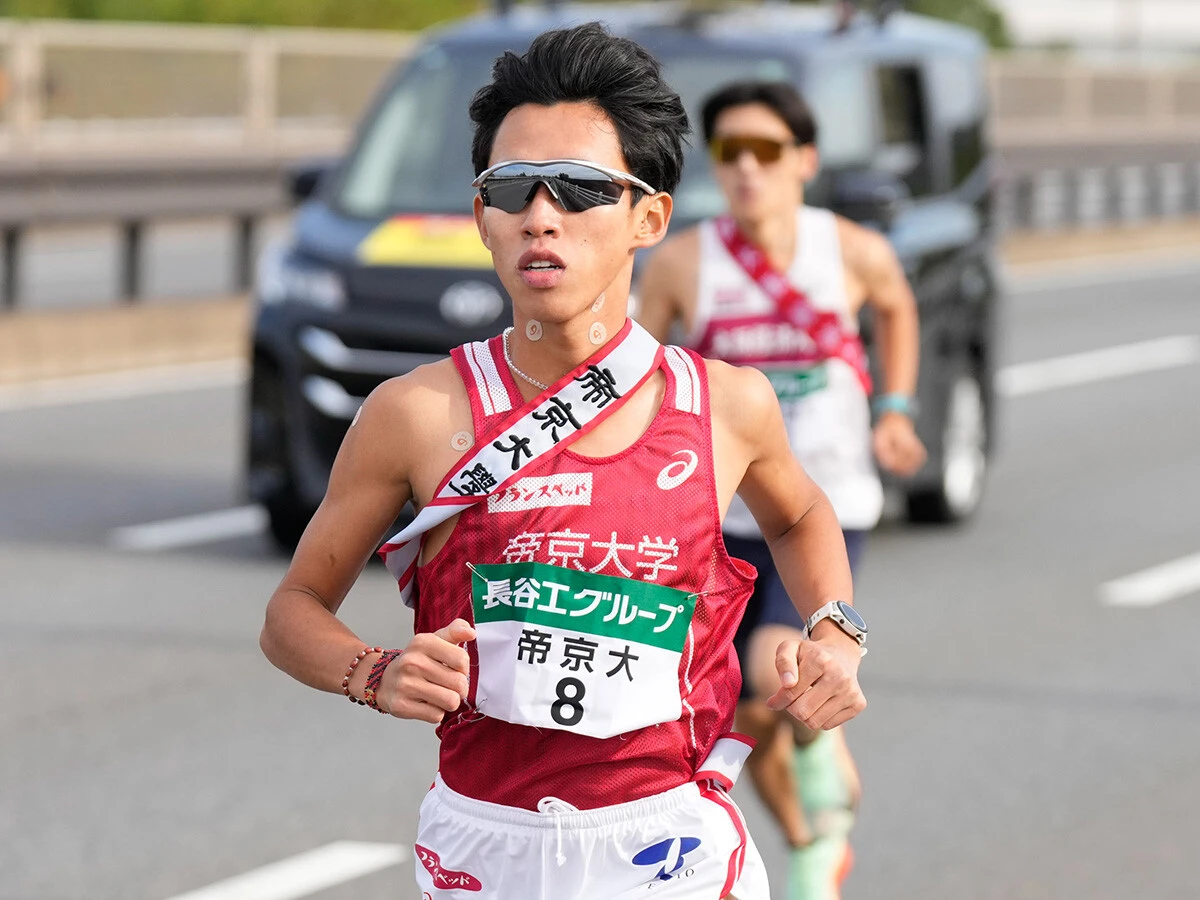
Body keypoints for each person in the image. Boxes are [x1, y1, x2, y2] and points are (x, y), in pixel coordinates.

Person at [260, 27, 868, 900]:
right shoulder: (415, 414)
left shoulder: (724, 405)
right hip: (484, 844)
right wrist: (378, 672)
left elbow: (802, 515)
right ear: (481, 216)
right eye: (510, 189)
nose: (540, 215)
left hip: (670, 844)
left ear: (648, 217)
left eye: (581, 189)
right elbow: (292, 612)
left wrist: (836, 634)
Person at [636, 80, 926, 899]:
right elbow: (633, 374)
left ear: (805, 160)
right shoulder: (684, 263)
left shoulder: (853, 252)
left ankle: (809, 835)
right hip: (716, 516)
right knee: (736, 715)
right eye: (732, 153)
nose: (748, 170)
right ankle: (808, 835)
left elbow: (898, 309)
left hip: (818, 508)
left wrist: (895, 409)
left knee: (772, 678)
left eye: (767, 151)